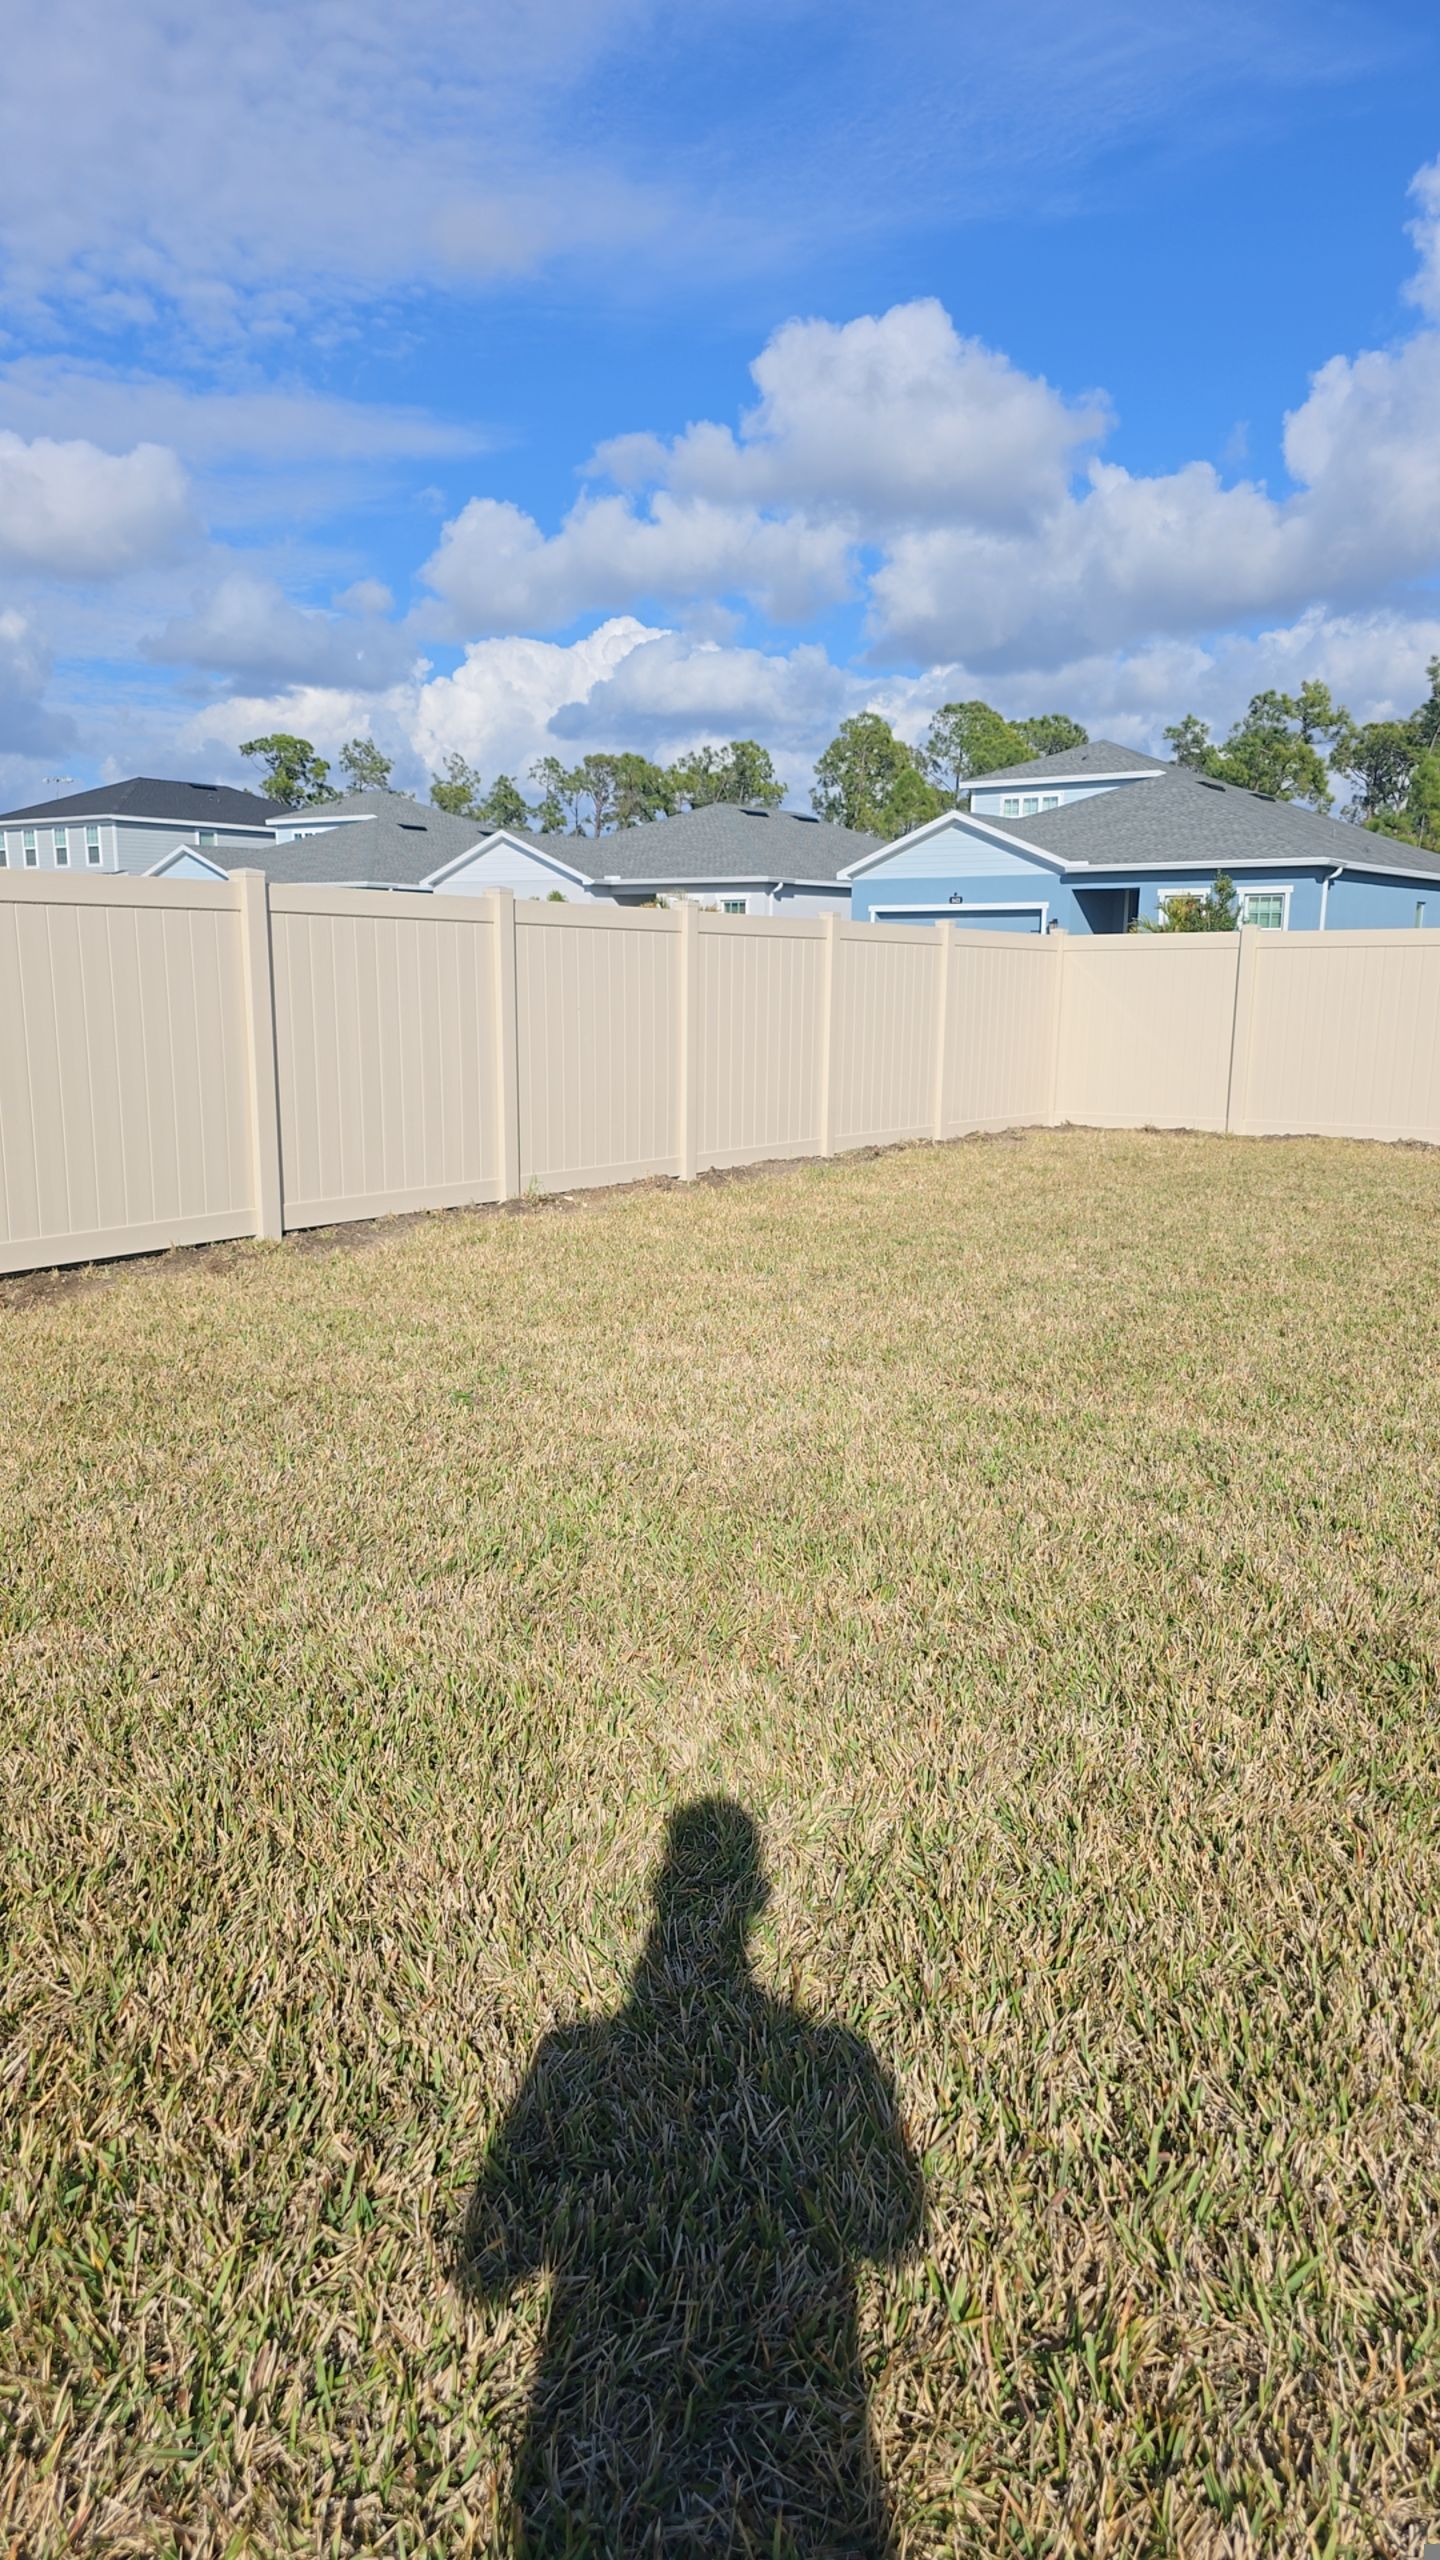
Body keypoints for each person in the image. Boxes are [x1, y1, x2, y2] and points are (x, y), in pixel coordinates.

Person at [458, 1796, 924, 2555]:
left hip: (580, 2463)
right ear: (760, 1899)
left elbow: (484, 2267)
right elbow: (898, 2233)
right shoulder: (834, 2055)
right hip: (809, 2471)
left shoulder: (572, 2053)